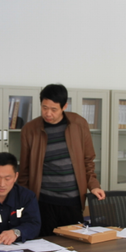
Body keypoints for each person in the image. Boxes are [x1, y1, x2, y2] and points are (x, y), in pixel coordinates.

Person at [18, 83, 105, 236]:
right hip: (43, 201)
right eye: (44, 108)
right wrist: (24, 200)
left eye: (54, 109)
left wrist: (94, 185)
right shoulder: (30, 130)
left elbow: (88, 160)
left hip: (72, 200)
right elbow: (24, 170)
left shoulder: (79, 124)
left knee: (73, 243)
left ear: (64, 106)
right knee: (45, 243)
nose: (48, 113)